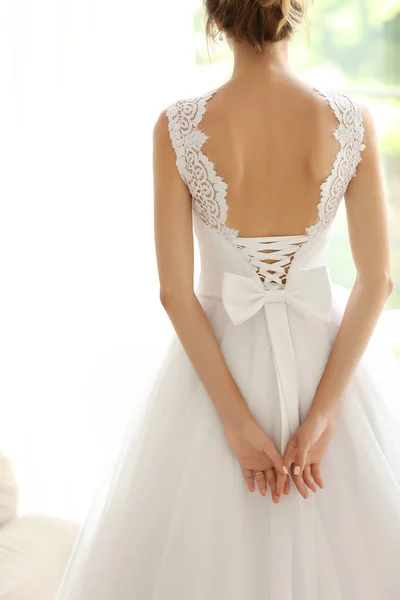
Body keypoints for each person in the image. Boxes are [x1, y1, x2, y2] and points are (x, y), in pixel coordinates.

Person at [56, 0, 400, 598]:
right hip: (325, 360)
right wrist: (322, 415)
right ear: (300, 14)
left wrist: (237, 424)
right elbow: (379, 281)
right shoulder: (351, 121)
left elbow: (174, 292)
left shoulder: (179, 127)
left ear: (215, 19)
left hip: (217, 370)